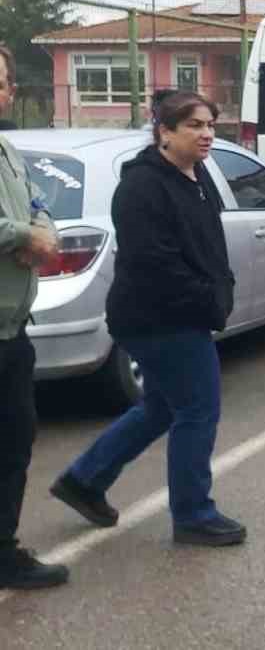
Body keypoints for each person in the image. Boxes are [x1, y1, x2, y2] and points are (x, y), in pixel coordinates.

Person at [53, 92, 247, 546]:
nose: (206, 134)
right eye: (195, 126)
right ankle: (194, 514)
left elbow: (206, 244)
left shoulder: (195, 175)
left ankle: (84, 480)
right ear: (165, 131)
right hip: (159, 319)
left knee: (162, 407)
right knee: (198, 409)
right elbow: (154, 263)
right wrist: (207, 298)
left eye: (210, 125)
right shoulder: (142, 187)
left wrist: (222, 286)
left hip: (182, 314)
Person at [0, 45, 66, 589]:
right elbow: (17, 226)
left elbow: (40, 204)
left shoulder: (8, 150)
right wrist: (23, 235)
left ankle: (4, 550)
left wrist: (42, 229)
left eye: (1, 81)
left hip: (12, 332)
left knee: (15, 442)